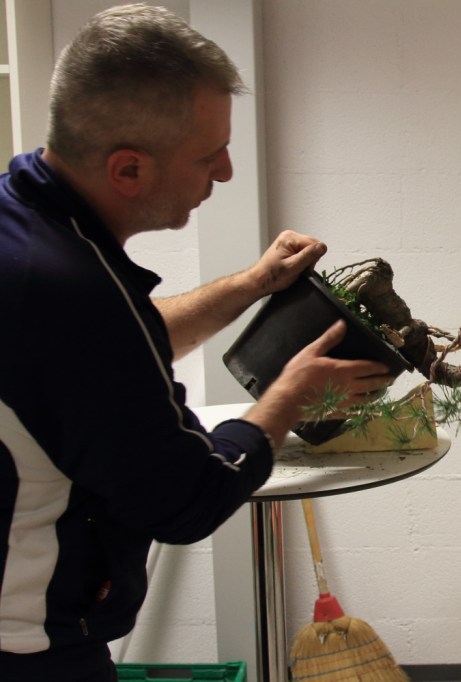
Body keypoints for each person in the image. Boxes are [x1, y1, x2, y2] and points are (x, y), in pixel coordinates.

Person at [0, 5, 394, 680]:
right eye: (209, 157)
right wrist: (288, 398)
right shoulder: (74, 297)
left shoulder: (24, 226)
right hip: (28, 653)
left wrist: (253, 284)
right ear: (128, 170)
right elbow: (187, 498)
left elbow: (110, 350)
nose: (228, 172)